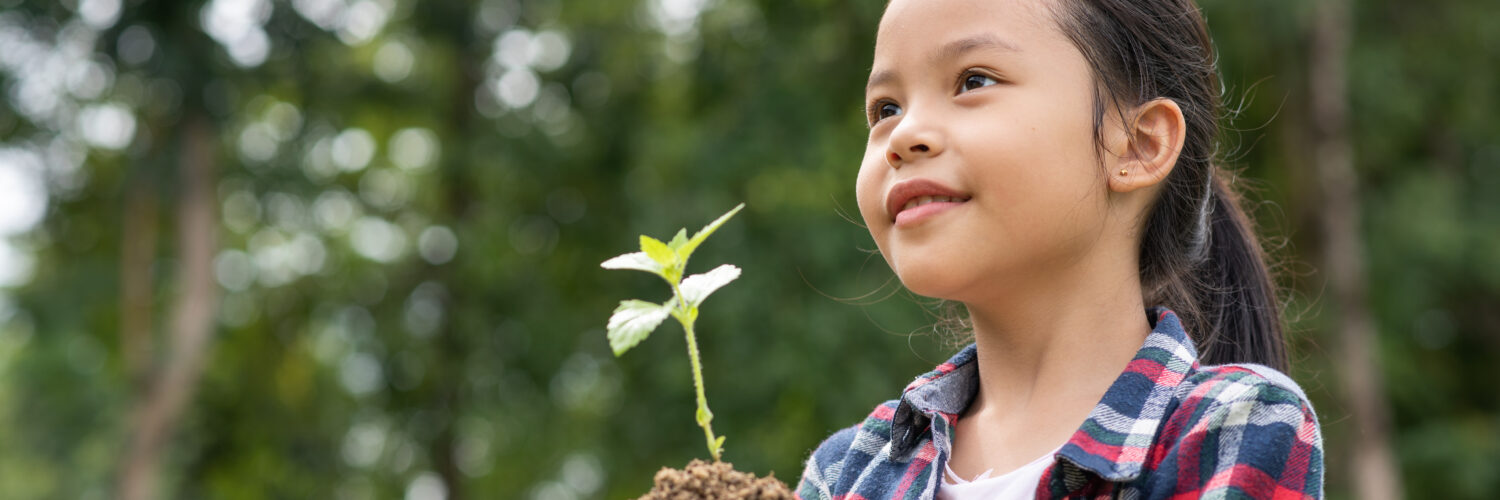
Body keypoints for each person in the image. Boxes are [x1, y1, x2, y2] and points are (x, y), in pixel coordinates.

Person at [795, 0, 1325, 498]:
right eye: (885, 107)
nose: (903, 134)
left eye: (972, 81)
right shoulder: (846, 469)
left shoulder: (1234, 425)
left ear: (1140, 144)